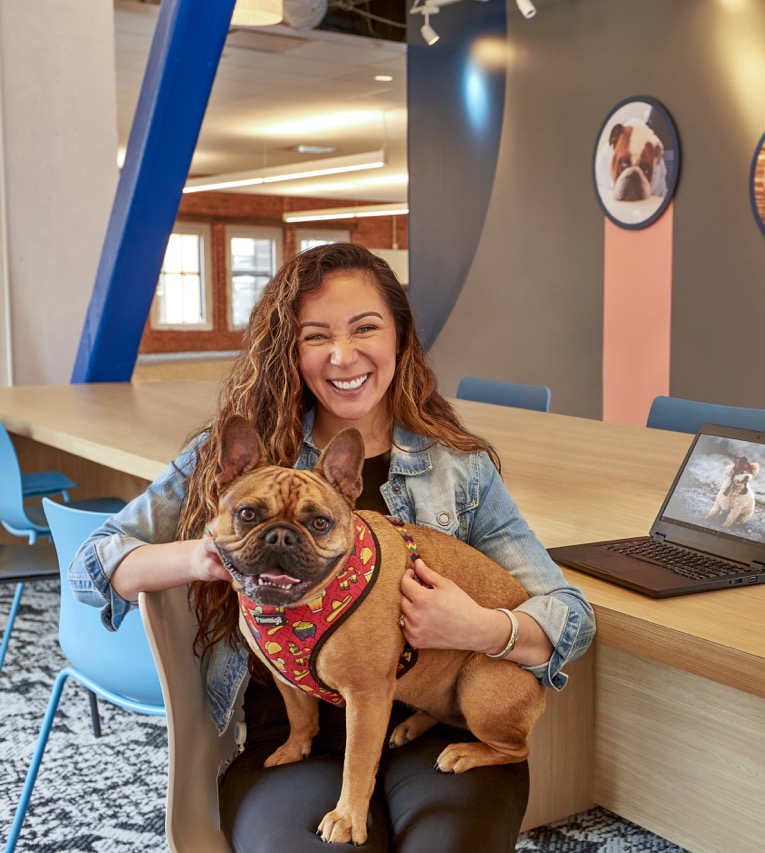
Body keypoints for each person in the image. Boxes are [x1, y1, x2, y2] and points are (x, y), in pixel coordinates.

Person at [69, 242, 595, 851]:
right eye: (316, 335)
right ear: (288, 350)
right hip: (291, 734)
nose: (343, 354)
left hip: (425, 717)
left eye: (365, 328)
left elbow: (571, 615)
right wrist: (203, 556)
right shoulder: (231, 454)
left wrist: (478, 628)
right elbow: (92, 563)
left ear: (400, 337)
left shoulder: (459, 469)